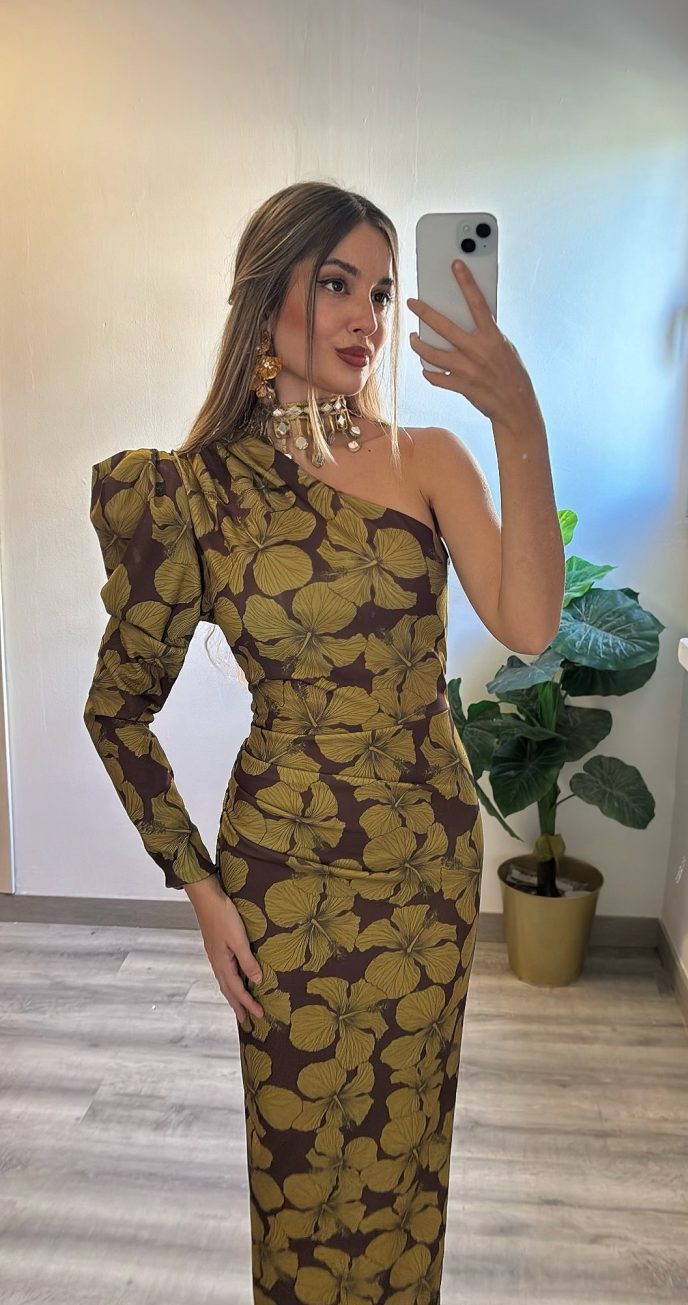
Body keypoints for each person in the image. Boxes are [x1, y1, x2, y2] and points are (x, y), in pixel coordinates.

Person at [83, 180, 563, 1305]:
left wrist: (519, 419)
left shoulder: (428, 458)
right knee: (300, 1172)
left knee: (405, 1165)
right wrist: (202, 890)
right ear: (268, 296)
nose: (367, 317)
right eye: (338, 284)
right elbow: (117, 710)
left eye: (382, 293)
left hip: (426, 875)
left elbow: (532, 623)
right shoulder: (192, 495)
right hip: (284, 884)